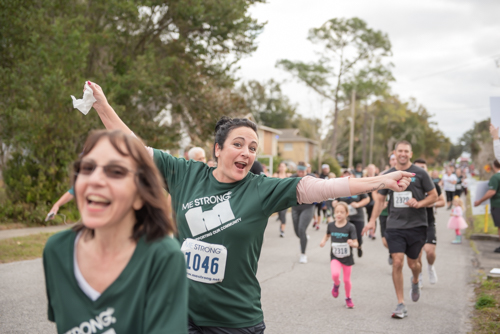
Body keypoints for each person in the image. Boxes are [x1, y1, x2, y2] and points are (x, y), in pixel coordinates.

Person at [86, 81, 413, 332]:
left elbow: (322, 187)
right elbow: (133, 147)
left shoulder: (262, 189)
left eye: (253, 147)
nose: (246, 152)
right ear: (218, 149)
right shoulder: (185, 173)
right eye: (238, 144)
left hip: (236, 319)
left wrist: (381, 181)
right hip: (181, 313)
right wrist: (102, 106)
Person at [43, 130, 188, 334]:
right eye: (87, 168)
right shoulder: (56, 251)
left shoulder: (163, 256)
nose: (95, 180)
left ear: (140, 196)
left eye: (116, 171)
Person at [363, 140, 437, 319]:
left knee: (413, 264)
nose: (403, 154)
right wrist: (372, 220)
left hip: (417, 225)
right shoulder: (387, 175)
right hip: (394, 225)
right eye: (400, 151)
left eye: (406, 151)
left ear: (410, 154)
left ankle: (415, 279)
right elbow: (380, 200)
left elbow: (434, 196)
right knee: (397, 262)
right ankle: (400, 303)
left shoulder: (420, 174)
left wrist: (419, 203)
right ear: (394, 153)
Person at [320, 202, 358, 309]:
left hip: (347, 257)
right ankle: (336, 284)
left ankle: (348, 298)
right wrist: (323, 241)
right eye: (337, 212)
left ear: (347, 213)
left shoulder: (350, 227)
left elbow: (356, 243)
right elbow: (327, 235)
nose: (339, 214)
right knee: (335, 275)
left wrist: (352, 243)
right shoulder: (331, 225)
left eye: (342, 212)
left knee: (347, 280)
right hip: (335, 256)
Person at [414, 159, 446, 286]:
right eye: (418, 167)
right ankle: (419, 275)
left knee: (430, 252)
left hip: (428, 222)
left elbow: (442, 201)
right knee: (417, 255)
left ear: (427, 169)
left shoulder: (433, 185)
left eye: (423, 167)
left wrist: (430, 203)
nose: (421, 170)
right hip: (414, 223)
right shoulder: (409, 185)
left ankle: (430, 267)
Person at [335, 170, 370, 258]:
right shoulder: (340, 188)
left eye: (349, 174)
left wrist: (358, 204)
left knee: (358, 235)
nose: (347, 176)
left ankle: (359, 246)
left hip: (358, 216)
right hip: (345, 218)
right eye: (345, 174)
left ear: (353, 176)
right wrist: (335, 204)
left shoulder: (358, 187)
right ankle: (349, 253)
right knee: (346, 235)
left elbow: (367, 199)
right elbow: (335, 200)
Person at [291, 161, 317, 263]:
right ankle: (304, 238)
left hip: (308, 207)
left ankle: (303, 254)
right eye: (299, 171)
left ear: (307, 171)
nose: (300, 173)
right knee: (297, 232)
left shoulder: (311, 178)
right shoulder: (292, 178)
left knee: (302, 229)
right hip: (295, 207)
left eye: (303, 171)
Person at [474, 160, 500, 253]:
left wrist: (480, 201)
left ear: (494, 166)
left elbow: (492, 192)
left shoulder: (495, 177)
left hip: (497, 205)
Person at [273, 162, 292, 237]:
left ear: (286, 168)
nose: (282, 168)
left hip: (285, 199)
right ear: (279, 168)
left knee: (283, 214)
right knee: (280, 215)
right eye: (280, 166)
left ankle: (282, 231)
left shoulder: (289, 176)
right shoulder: (275, 175)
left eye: (283, 166)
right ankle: (281, 224)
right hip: (277, 199)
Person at [365, 164, 378, 240]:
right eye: (369, 168)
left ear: (375, 169)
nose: (371, 170)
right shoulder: (365, 178)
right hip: (367, 199)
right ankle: (370, 229)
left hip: (375, 200)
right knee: (369, 215)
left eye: (372, 168)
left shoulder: (378, 177)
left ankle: (372, 232)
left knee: (374, 216)